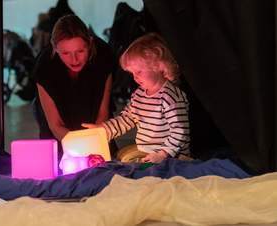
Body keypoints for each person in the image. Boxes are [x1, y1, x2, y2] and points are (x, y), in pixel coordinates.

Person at [82, 33, 190, 163]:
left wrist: (163, 154)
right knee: (121, 156)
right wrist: (104, 130)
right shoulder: (139, 94)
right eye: (132, 73)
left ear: (159, 66)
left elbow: (179, 131)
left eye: (138, 72)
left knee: (129, 162)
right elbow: (127, 119)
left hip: (172, 155)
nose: (135, 77)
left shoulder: (170, 97)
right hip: (146, 150)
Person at [32, 15, 116, 160]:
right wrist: (79, 151)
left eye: (80, 51)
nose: (74, 59)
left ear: (90, 43)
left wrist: (94, 147)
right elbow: (55, 124)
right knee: (57, 165)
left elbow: (102, 115)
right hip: (58, 129)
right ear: (55, 48)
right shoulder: (44, 68)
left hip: (93, 121)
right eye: (65, 53)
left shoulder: (103, 56)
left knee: (104, 162)